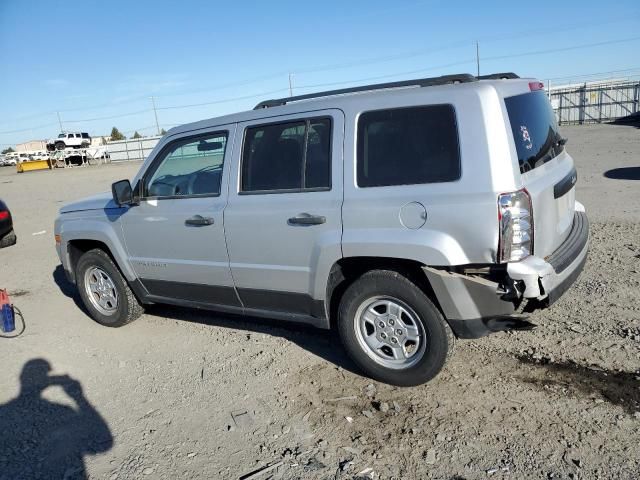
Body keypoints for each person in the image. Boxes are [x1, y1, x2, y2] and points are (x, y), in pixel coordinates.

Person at [0, 359, 113, 479]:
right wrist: (79, 398)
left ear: (21, 378)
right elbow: (105, 443)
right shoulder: (64, 409)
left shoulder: (4, 410)